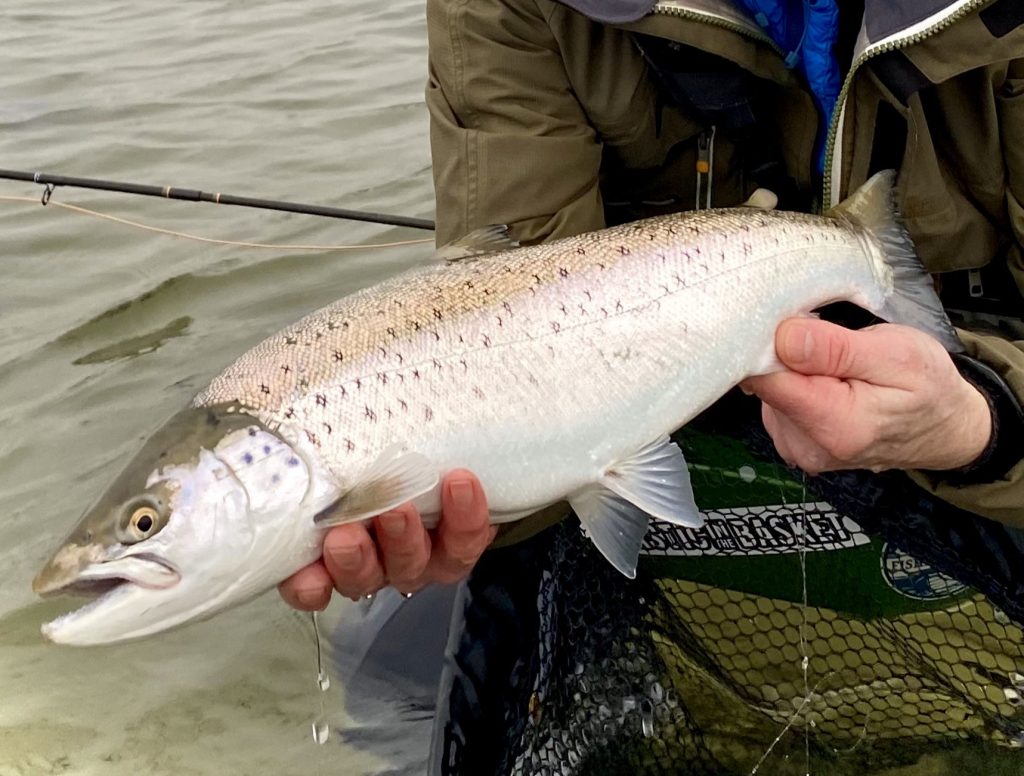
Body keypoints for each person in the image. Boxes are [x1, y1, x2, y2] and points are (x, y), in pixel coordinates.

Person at [282, 0, 1024, 771]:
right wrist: (457, 500)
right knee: (391, 682)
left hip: (983, 381)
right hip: (659, 377)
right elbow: (523, 331)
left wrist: (983, 424)